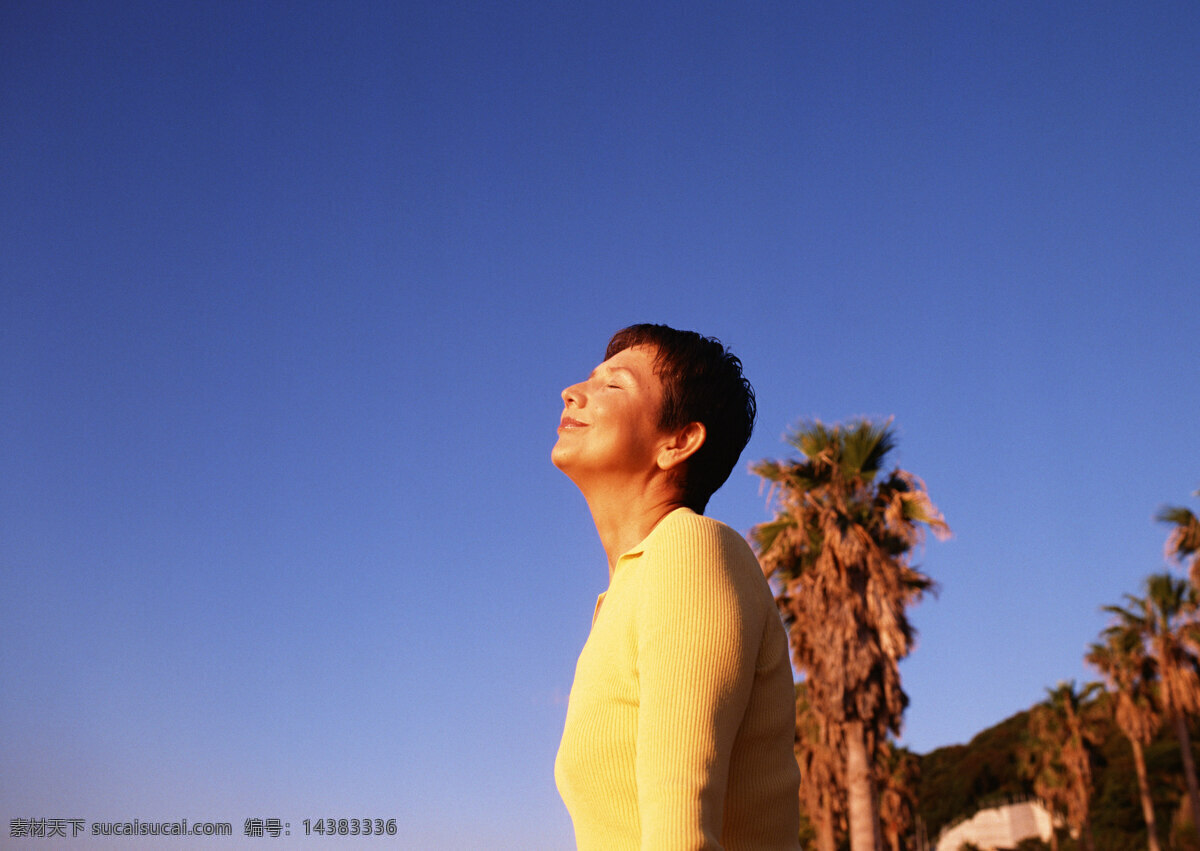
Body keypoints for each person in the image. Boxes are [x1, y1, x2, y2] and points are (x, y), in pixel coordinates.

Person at [552, 323, 801, 850]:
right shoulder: (622, 595)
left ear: (679, 441)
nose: (573, 392)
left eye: (613, 385)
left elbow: (680, 832)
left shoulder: (689, 548)